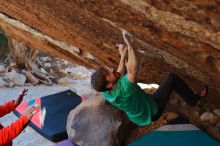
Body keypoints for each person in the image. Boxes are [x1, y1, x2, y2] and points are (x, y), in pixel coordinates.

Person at [91, 32, 208, 126]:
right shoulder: (125, 89)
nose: (111, 69)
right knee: (171, 78)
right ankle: (195, 101)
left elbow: (119, 74)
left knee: (159, 89)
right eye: (108, 73)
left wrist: (122, 56)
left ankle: (179, 98)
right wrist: (130, 45)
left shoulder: (106, 92)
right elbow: (132, 69)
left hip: (138, 116)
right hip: (152, 112)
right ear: (108, 85)